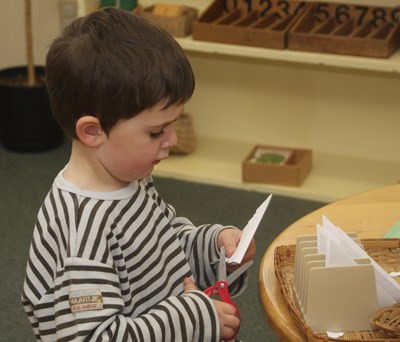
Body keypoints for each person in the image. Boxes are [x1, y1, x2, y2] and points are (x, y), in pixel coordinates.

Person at [21, 7, 255, 342]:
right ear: (92, 132)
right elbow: (94, 337)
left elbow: (164, 248)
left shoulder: (129, 180)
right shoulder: (83, 239)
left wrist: (215, 250)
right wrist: (194, 316)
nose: (172, 139)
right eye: (156, 131)